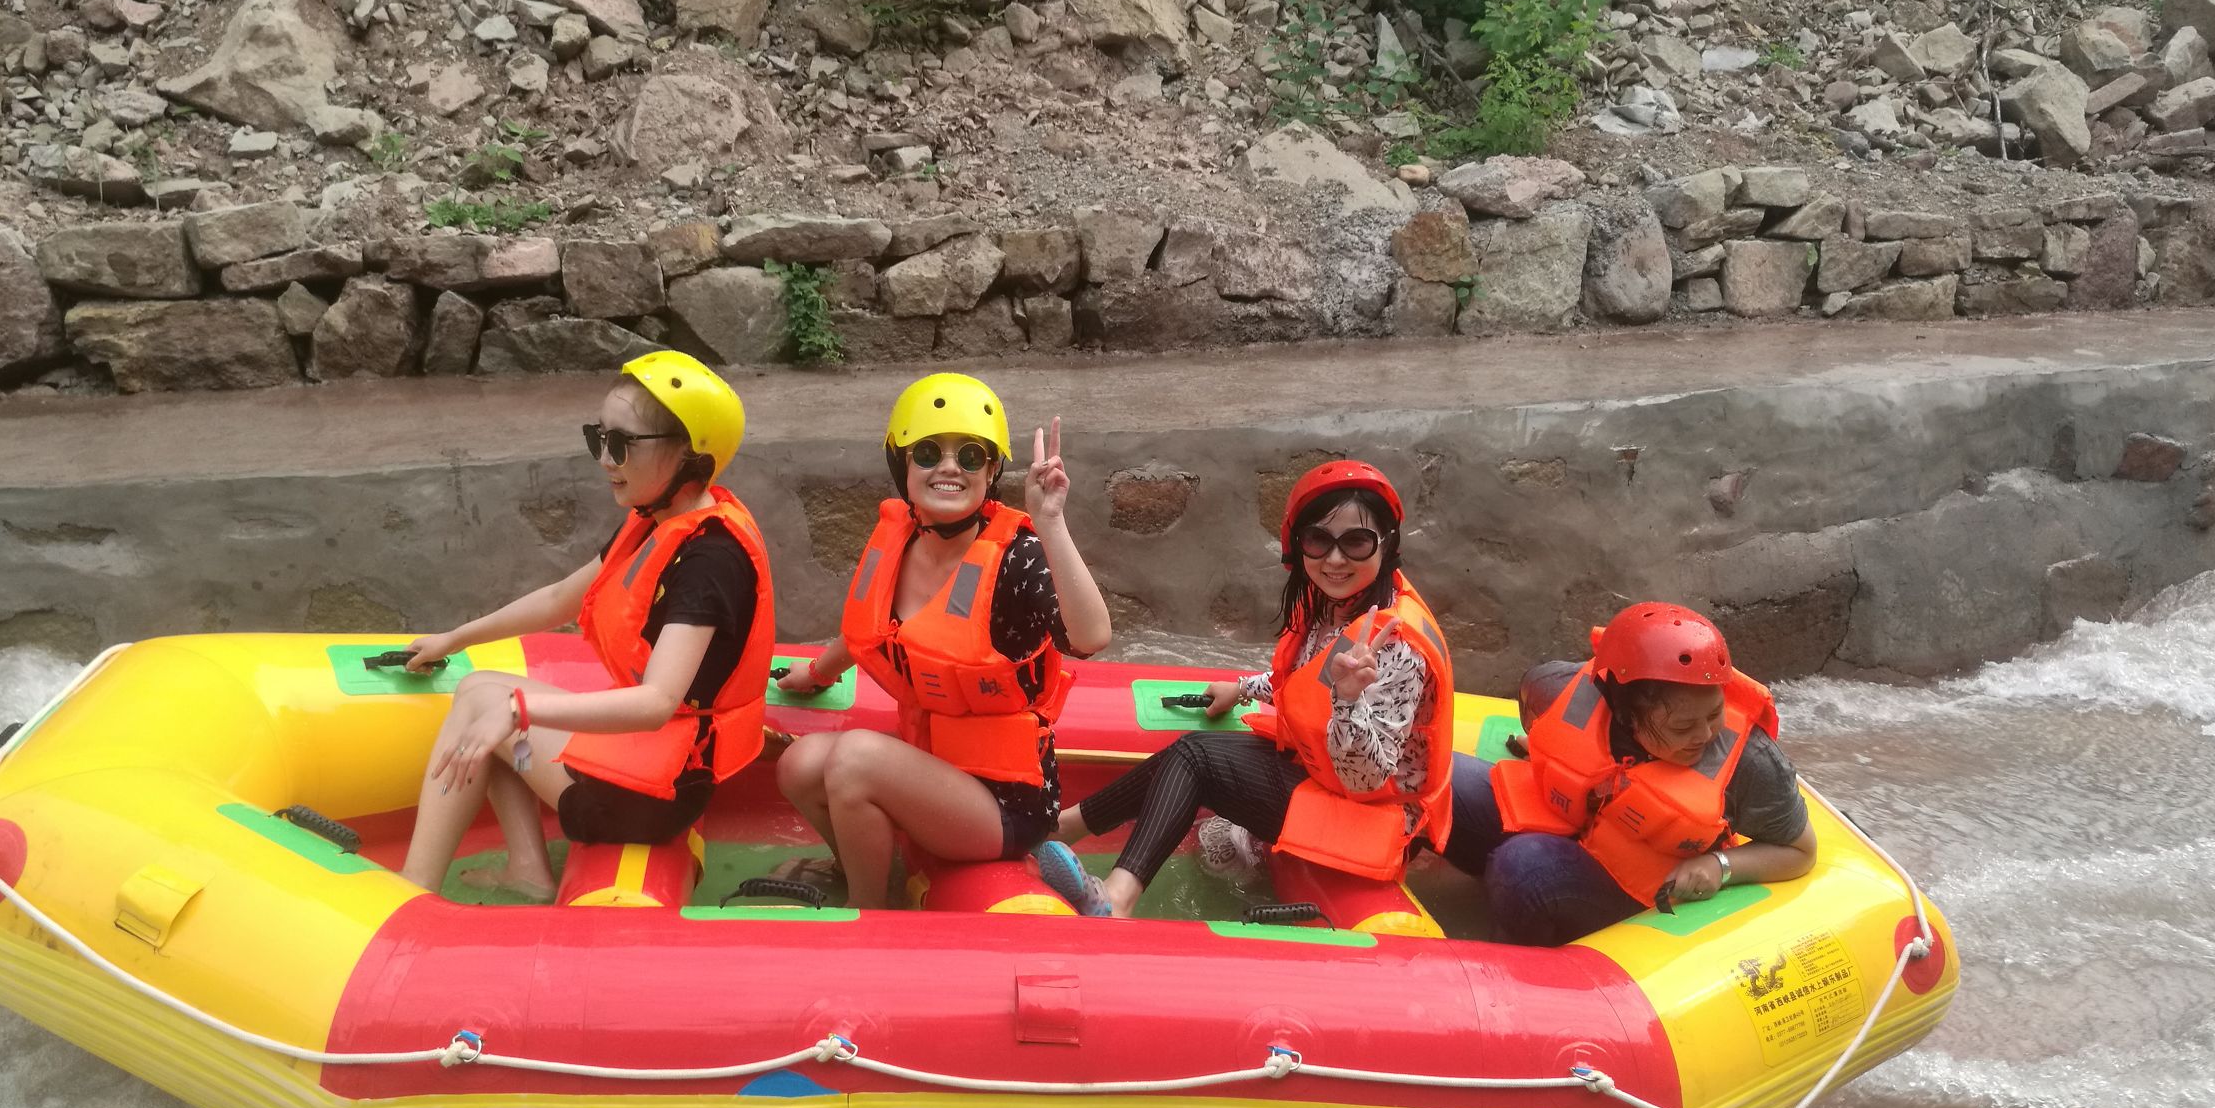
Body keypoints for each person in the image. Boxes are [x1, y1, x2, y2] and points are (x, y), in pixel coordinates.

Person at [397, 352, 775, 898]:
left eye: (621, 444)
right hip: (646, 763)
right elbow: (558, 599)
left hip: (654, 793)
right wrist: (454, 638)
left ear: (690, 456)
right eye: (598, 438)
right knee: (479, 689)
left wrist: (519, 710)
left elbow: (654, 703)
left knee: (491, 706)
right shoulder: (657, 522)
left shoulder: (708, 561)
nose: (603, 458)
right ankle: (527, 869)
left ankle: (415, 889)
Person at [1032, 460, 1453, 920]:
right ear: (1299, 545)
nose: (1334, 560)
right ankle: (1060, 830)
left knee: (1198, 758)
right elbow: (1309, 685)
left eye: (1355, 542)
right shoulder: (1336, 604)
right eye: (1319, 540)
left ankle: (1115, 895)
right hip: (1326, 780)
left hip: (1371, 818)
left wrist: (1349, 701)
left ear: (1386, 542)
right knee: (1192, 754)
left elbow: (1366, 777)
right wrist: (1245, 688)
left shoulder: (1394, 642)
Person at [772, 373, 1110, 904]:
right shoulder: (900, 536)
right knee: (799, 765)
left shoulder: (1016, 559)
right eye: (928, 452)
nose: (949, 467)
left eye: (971, 456)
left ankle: (871, 914)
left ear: (992, 471)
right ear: (902, 464)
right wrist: (816, 674)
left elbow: (1092, 637)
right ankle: (871, 873)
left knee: (855, 758)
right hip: (931, 765)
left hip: (1005, 803)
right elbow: (874, 631)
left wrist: (1051, 523)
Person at [1439, 602, 1817, 946]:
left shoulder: (1750, 761)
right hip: (1569, 822)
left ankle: (1512, 970)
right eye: (1683, 727)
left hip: (1637, 882)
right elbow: (1551, 721)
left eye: (1714, 713)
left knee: (1523, 867)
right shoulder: (1559, 688)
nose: (1705, 735)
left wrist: (1721, 866)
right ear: (1625, 716)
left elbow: (1801, 850)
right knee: (1439, 778)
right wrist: (1539, 745)